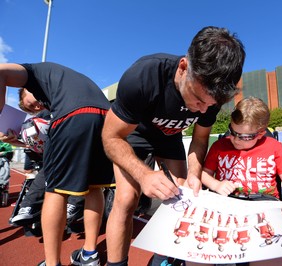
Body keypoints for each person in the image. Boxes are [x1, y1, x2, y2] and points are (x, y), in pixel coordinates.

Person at [102, 26, 245, 266]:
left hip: (169, 137)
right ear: (183, 68)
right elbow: (110, 138)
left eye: (209, 105)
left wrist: (195, 175)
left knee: (184, 197)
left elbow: (200, 139)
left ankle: (168, 257)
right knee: (127, 198)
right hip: (133, 134)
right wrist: (144, 174)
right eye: (198, 100)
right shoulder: (143, 76)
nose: (202, 110)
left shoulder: (212, 97)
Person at [0, 62, 114, 266]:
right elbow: (47, 143)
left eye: (30, 104)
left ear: (25, 89)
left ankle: (52, 263)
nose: (36, 108)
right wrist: (16, 141)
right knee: (95, 188)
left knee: (55, 191)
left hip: (75, 116)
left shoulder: (32, 73)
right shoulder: (63, 82)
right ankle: (90, 255)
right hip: (107, 118)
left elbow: (0, 69)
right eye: (31, 109)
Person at [195, 97, 282, 266]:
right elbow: (202, 174)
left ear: (260, 133)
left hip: (265, 209)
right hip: (226, 207)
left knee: (272, 257)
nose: (235, 139)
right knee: (197, 255)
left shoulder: (273, 146)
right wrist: (216, 184)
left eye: (244, 136)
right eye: (232, 131)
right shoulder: (220, 146)